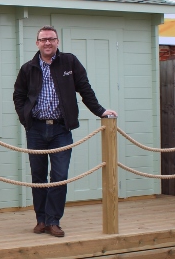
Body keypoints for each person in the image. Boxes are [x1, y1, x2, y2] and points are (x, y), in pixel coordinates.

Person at [12, 25, 117, 238]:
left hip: (61, 129)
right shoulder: (28, 68)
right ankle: (41, 219)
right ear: (37, 43)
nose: (47, 43)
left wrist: (101, 111)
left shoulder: (70, 62)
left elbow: (85, 90)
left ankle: (53, 221)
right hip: (36, 130)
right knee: (38, 177)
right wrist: (26, 120)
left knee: (59, 176)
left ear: (57, 41)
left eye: (51, 39)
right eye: (43, 40)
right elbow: (18, 96)